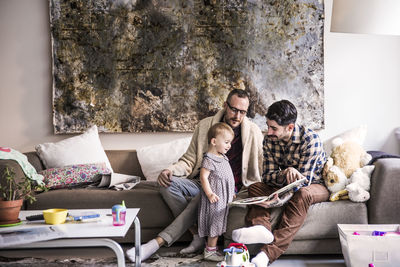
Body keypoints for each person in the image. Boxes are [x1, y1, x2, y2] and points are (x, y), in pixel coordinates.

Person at [126, 89, 264, 262]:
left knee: (204, 197)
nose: (237, 115)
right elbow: (190, 159)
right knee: (165, 183)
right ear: (225, 105)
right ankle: (197, 234)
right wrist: (171, 170)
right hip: (203, 181)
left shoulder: (254, 132)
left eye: (242, 112)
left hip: (232, 190)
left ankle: (156, 243)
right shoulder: (206, 126)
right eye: (234, 109)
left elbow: (260, 165)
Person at [232, 100, 329, 267]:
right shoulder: (269, 140)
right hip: (286, 184)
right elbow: (267, 177)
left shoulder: (311, 140)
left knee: (302, 194)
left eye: (274, 128)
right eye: (268, 126)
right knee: (254, 187)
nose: (269, 132)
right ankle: (262, 229)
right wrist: (285, 172)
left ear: (290, 127)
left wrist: (280, 199)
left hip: (315, 184)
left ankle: (265, 255)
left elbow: (304, 182)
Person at [198, 122, 235, 261]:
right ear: (214, 141)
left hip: (224, 196)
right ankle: (210, 251)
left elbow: (226, 177)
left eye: (230, 142)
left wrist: (231, 191)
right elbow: (203, 177)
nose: (229, 145)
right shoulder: (209, 159)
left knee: (220, 222)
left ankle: (213, 248)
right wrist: (209, 193)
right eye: (226, 142)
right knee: (215, 222)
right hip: (215, 198)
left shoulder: (222, 157)